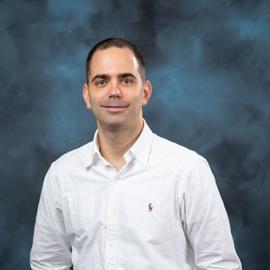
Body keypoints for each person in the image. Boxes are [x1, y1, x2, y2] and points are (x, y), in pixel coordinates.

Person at [30, 38, 242, 270]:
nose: (114, 91)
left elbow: (220, 265)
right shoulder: (62, 174)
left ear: (145, 92)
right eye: (101, 81)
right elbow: (47, 264)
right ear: (87, 95)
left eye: (127, 80)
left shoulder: (188, 170)